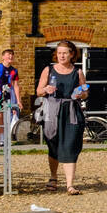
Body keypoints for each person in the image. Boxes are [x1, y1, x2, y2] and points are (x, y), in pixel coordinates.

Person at [36, 40, 87, 195]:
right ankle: (53, 177)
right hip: (52, 110)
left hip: (71, 111)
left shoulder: (77, 72)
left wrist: (82, 94)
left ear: (72, 54)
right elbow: (38, 91)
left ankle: (70, 184)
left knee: (71, 144)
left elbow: (85, 90)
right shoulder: (48, 70)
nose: (61, 56)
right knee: (53, 144)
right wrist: (45, 89)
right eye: (59, 53)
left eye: (65, 53)